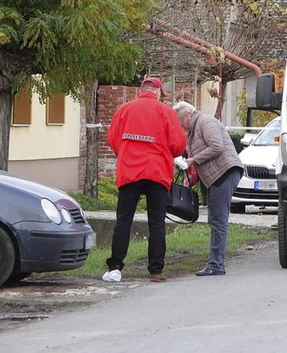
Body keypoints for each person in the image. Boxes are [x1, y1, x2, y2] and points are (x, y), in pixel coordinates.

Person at [103, 77, 187, 283]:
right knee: (157, 222)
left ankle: (115, 268)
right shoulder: (166, 112)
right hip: (157, 173)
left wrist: (128, 152)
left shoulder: (124, 109)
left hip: (130, 171)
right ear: (157, 92)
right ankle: (155, 271)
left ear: (142, 90)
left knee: (123, 221)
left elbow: (113, 140)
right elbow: (178, 145)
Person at [173, 101, 243, 276]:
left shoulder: (206, 122)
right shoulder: (193, 131)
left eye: (180, 123)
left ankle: (217, 264)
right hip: (215, 176)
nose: (180, 127)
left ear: (187, 116)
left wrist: (193, 160)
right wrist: (189, 175)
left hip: (225, 173)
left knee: (218, 219)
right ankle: (215, 262)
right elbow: (196, 159)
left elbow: (217, 147)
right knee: (214, 219)